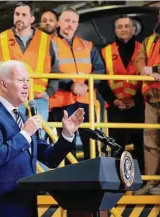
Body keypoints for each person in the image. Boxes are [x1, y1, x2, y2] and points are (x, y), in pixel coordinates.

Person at [0, 60, 85, 217]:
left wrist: (67, 134)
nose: (27, 85)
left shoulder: (23, 117)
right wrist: (25, 134)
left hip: (26, 203)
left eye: (28, 80)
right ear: (4, 84)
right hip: (2, 206)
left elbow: (50, 158)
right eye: (21, 80)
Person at [0, 3, 61, 139]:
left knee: (39, 138)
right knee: (13, 137)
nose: (19, 18)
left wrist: (49, 93)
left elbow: (55, 70)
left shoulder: (46, 40)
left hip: (38, 99)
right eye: (17, 14)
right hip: (11, 99)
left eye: (24, 15)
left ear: (32, 19)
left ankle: (38, 162)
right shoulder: (1, 39)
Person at [49, 8, 105, 160]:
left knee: (91, 142)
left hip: (86, 101)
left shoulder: (88, 45)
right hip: (62, 101)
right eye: (67, 20)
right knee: (67, 144)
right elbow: (49, 71)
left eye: (74, 21)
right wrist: (71, 85)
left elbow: (100, 69)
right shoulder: (50, 44)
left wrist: (86, 85)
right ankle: (69, 181)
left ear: (77, 25)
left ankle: (92, 179)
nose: (70, 24)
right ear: (59, 22)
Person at [134, 3, 160, 195]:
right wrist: (144, 69)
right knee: (150, 141)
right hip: (151, 95)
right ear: (159, 18)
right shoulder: (149, 41)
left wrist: (156, 70)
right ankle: (151, 181)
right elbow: (140, 60)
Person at [99, 15, 145, 172]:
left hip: (138, 106)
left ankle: (141, 180)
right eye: (120, 27)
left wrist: (136, 101)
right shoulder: (105, 52)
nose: (123, 29)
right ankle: (117, 182)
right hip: (115, 107)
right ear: (115, 30)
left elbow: (147, 80)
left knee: (141, 145)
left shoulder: (143, 49)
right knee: (116, 146)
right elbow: (101, 80)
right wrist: (114, 101)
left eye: (127, 26)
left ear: (133, 29)